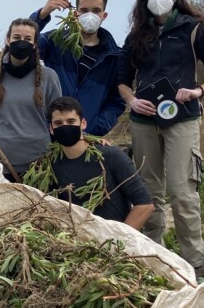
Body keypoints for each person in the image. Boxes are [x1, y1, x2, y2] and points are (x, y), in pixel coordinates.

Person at [117, 0, 204, 278]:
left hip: (182, 118)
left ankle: (195, 265)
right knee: (149, 194)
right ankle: (156, 261)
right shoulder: (136, 35)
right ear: (144, 0)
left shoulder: (193, 30)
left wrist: (198, 91)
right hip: (143, 121)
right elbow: (122, 82)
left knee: (182, 193)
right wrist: (131, 101)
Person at [0, 18, 62, 179]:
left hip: (39, 164)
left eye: (28, 39)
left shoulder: (49, 77)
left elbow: (58, 119)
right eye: (17, 38)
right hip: (0, 164)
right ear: (8, 39)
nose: (21, 42)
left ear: (35, 43)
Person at [30, 0, 127, 136]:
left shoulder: (114, 57)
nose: (90, 15)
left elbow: (116, 101)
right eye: (84, 10)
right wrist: (41, 16)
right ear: (76, 13)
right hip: (49, 131)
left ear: (104, 15)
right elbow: (24, 43)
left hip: (85, 137)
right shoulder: (56, 41)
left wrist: (96, 126)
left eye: (96, 10)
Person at [45, 97, 153, 229]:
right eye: (58, 123)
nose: (65, 126)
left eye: (71, 121)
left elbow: (145, 205)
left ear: (83, 123)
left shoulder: (111, 156)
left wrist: (119, 240)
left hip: (114, 237)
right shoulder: (50, 166)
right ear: (51, 128)